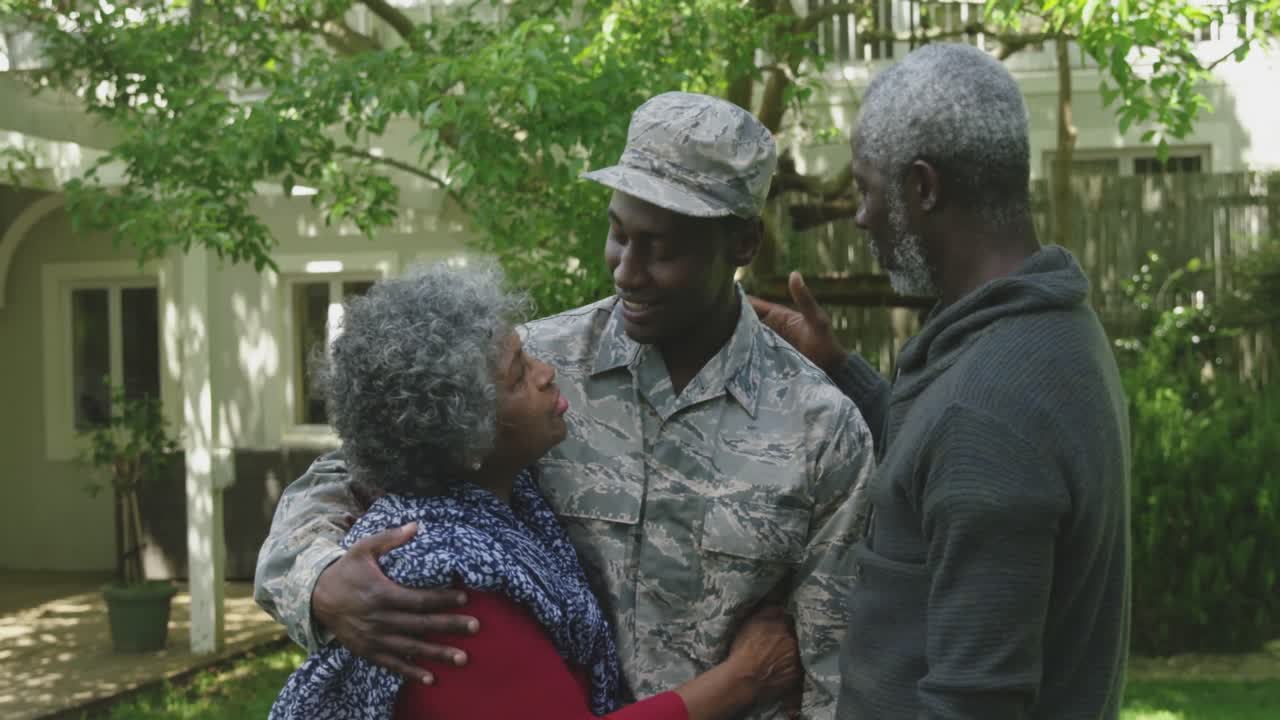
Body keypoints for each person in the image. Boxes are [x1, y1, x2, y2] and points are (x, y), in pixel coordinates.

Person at [255, 91, 876, 719]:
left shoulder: (820, 430)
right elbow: (354, 471)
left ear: (743, 243)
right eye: (618, 234)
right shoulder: (526, 369)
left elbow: (835, 670)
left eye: (660, 247)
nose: (626, 271)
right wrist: (319, 580)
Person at [751, 43, 1132, 719]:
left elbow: (975, 704)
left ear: (923, 188)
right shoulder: (1049, 328)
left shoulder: (987, 416)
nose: (860, 216)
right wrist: (841, 368)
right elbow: (938, 471)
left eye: (867, 188)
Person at [269, 263, 802, 720]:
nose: (548, 373)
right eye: (518, 375)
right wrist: (744, 678)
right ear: (463, 434)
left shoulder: (501, 505)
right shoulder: (441, 582)